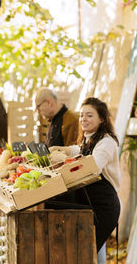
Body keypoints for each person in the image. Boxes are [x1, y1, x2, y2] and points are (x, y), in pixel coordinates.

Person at [50, 97, 121, 254]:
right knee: (92, 249)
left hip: (104, 206)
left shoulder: (107, 142)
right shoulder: (89, 139)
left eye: (89, 115)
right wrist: (64, 150)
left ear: (101, 119)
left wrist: (64, 160)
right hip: (88, 202)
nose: (83, 119)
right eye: (81, 115)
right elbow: (79, 150)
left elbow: (93, 166)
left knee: (87, 251)